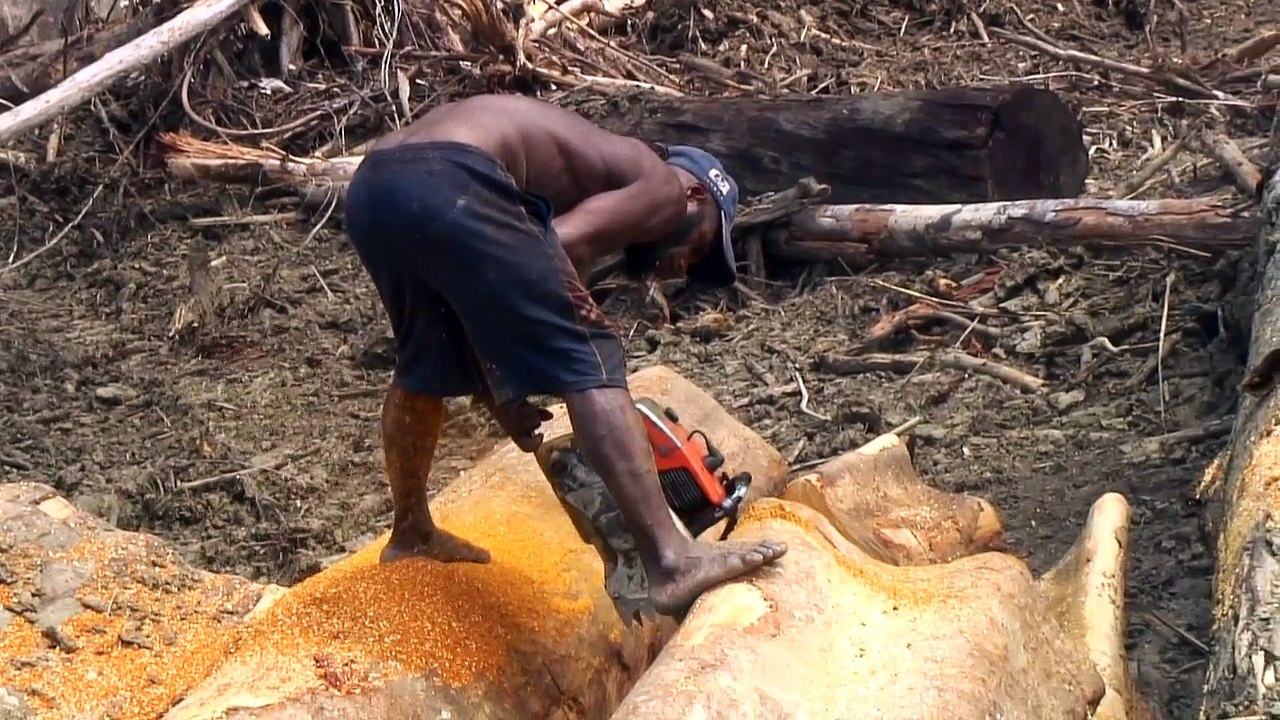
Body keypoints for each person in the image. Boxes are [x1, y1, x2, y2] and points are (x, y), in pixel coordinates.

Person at [341, 93, 786, 616]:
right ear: (694, 196)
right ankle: (672, 560)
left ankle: (411, 531)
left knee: (427, 360)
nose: (686, 265)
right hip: (453, 176)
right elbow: (561, 244)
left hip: (374, 187)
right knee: (590, 351)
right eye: (703, 243)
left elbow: (491, 287)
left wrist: (497, 389)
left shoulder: (590, 163)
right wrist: (526, 367)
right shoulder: (664, 187)